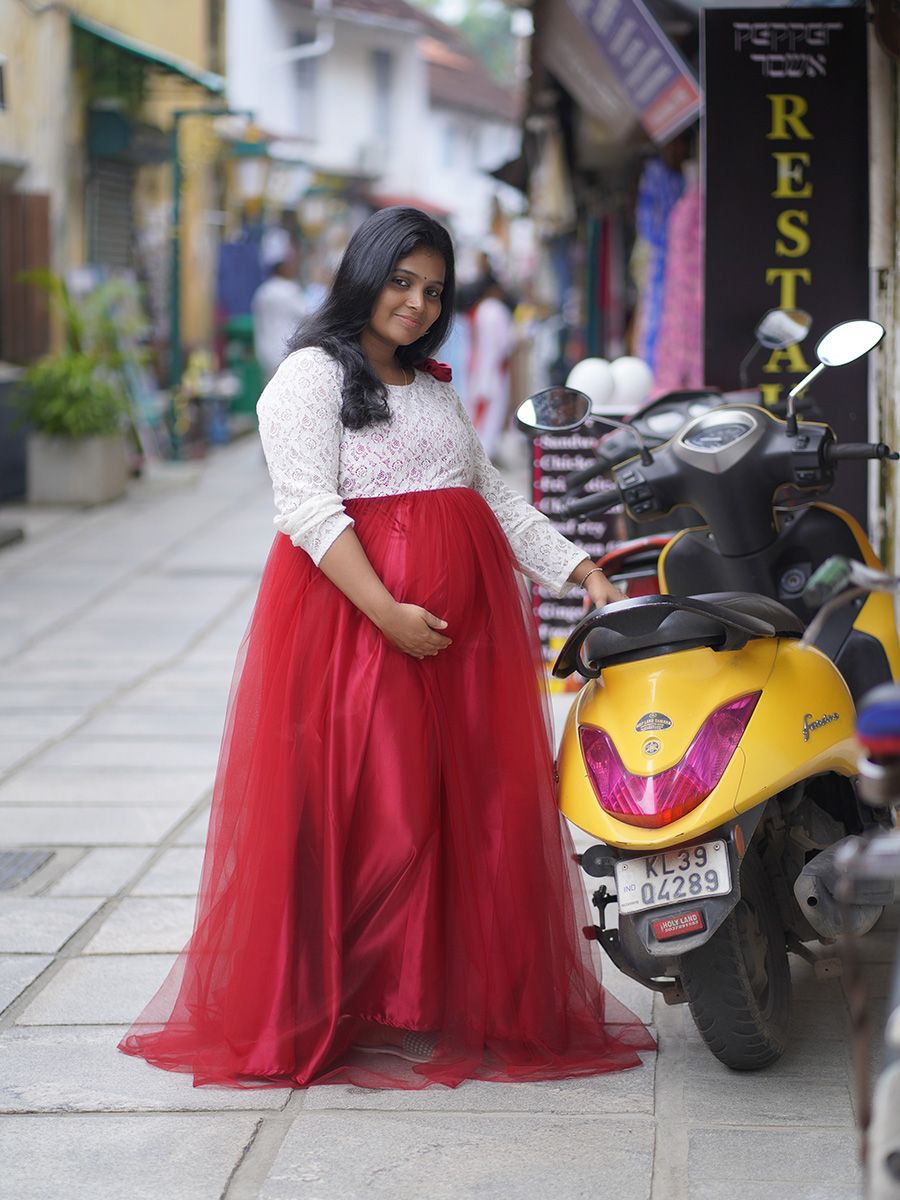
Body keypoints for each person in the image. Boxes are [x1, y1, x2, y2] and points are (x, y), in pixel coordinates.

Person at [118, 207, 654, 1090]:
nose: (415, 303)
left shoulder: (434, 386)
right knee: (372, 811)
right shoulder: (307, 379)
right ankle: (345, 1000)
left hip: (467, 643)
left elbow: (491, 495)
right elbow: (308, 511)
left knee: (463, 810)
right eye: (401, 281)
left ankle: (437, 995)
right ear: (364, 274)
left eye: (433, 290)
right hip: (353, 632)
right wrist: (387, 614)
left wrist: (581, 567)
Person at [465, 269, 515, 460]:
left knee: (479, 410)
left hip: (479, 366)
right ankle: (484, 454)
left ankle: (480, 452)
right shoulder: (496, 309)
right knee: (491, 413)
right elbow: (505, 342)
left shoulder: (481, 310)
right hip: (495, 368)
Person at [251, 228, 309, 383]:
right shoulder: (289, 291)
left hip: (265, 355)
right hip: (287, 353)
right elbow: (309, 315)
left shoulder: (262, 292)